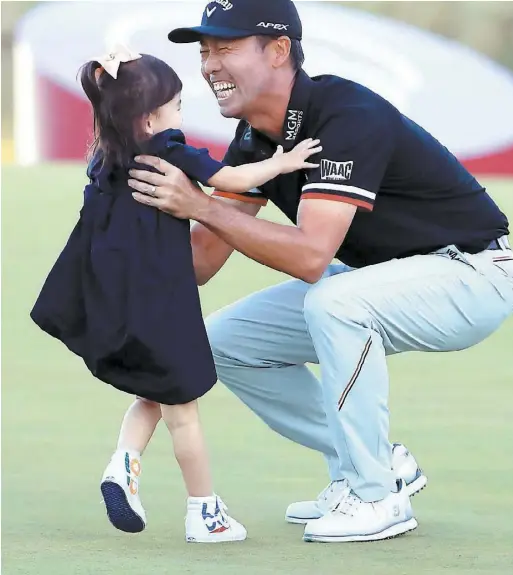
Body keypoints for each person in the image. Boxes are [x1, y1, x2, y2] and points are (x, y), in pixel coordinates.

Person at [127, 0, 513, 544]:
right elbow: (201, 262)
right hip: (387, 276)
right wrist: (123, 230)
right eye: (204, 51)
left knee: (335, 302)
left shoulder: (345, 115)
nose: (208, 65)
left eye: (225, 48)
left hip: (472, 274)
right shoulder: (255, 139)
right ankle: (379, 463)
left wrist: (200, 205)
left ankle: (375, 495)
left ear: (278, 51)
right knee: (223, 342)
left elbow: (310, 257)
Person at [29, 44, 322, 544]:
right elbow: (230, 178)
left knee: (155, 389)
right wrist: (283, 162)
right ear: (149, 118)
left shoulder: (105, 163)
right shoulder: (168, 149)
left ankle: (123, 465)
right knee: (183, 411)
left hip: (123, 305)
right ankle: (204, 513)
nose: (180, 116)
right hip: (164, 304)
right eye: (177, 106)